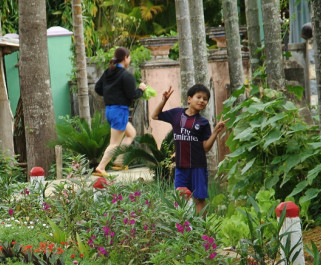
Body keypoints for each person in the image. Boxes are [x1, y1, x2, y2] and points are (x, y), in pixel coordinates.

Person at [151, 84, 228, 214]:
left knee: (199, 200)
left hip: (198, 166)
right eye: (198, 97)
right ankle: (184, 230)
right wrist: (164, 100)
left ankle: (201, 231)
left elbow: (205, 148)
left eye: (205, 99)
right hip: (181, 166)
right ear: (189, 99)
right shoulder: (176, 114)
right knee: (181, 198)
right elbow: (155, 116)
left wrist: (215, 132)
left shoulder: (203, 123)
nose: (202, 100)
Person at [94, 47, 147, 176]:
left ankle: (119, 161)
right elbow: (133, 95)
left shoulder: (108, 72)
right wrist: (141, 89)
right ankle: (101, 167)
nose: (130, 59)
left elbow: (98, 88)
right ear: (125, 58)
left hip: (110, 110)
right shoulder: (126, 75)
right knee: (114, 143)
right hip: (120, 111)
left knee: (131, 133)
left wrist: (110, 94)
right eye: (129, 57)